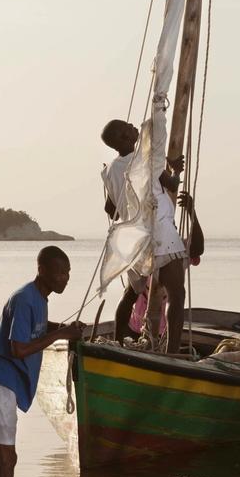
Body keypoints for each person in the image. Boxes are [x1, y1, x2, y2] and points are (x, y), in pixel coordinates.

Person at [0, 246, 83, 477]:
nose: (64, 278)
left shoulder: (39, 298)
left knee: (0, 456)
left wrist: (62, 327)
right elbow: (18, 349)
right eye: (59, 272)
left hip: (5, 382)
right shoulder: (24, 299)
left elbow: (38, 328)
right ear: (41, 270)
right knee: (8, 458)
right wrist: (62, 334)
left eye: (68, 272)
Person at [100, 119, 203, 353]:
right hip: (160, 235)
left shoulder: (110, 171)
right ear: (123, 138)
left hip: (132, 241)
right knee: (177, 294)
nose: (134, 127)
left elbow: (110, 210)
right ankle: (172, 353)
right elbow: (172, 183)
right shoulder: (147, 159)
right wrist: (174, 168)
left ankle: (118, 344)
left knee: (131, 293)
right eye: (129, 127)